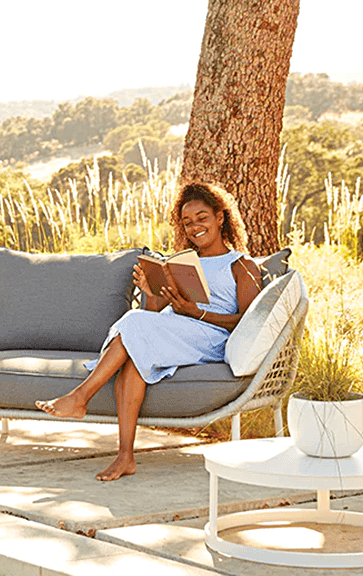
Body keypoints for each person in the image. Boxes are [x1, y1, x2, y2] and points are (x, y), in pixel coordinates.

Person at [36, 182, 264, 482]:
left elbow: (249, 322)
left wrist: (197, 312)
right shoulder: (182, 262)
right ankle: (125, 457)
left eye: (202, 217)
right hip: (174, 330)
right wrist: (150, 290)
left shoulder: (241, 265)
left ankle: (81, 396)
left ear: (220, 218)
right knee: (133, 357)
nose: (195, 226)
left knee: (133, 323)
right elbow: (155, 313)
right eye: (187, 222)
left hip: (211, 336)